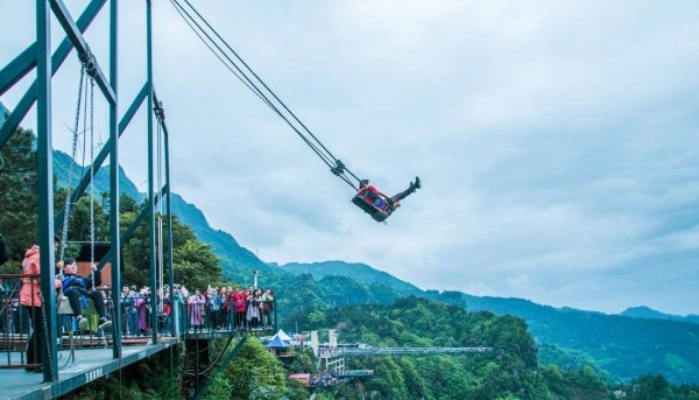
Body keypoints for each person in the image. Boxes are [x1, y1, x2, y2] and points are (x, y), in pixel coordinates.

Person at [20, 243, 62, 372]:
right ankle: (38, 362)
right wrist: (58, 282)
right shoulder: (39, 257)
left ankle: (32, 362)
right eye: (55, 246)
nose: (55, 249)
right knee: (41, 331)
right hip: (35, 296)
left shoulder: (28, 257)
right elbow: (43, 278)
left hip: (28, 294)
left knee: (38, 330)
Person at [60, 258, 112, 330]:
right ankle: (79, 317)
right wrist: (58, 268)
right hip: (70, 294)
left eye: (75, 265)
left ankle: (102, 318)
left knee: (96, 293)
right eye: (70, 265)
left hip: (82, 293)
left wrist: (96, 271)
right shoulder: (61, 277)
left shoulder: (82, 279)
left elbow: (97, 282)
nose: (73, 266)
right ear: (64, 267)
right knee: (73, 291)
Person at [357, 177, 421, 212]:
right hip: (384, 205)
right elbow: (378, 193)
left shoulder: (364, 195)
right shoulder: (369, 189)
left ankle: (411, 188)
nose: (368, 184)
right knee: (400, 195)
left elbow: (377, 193)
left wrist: (386, 197)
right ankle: (415, 186)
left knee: (400, 196)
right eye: (366, 183)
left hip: (382, 205)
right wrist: (387, 197)